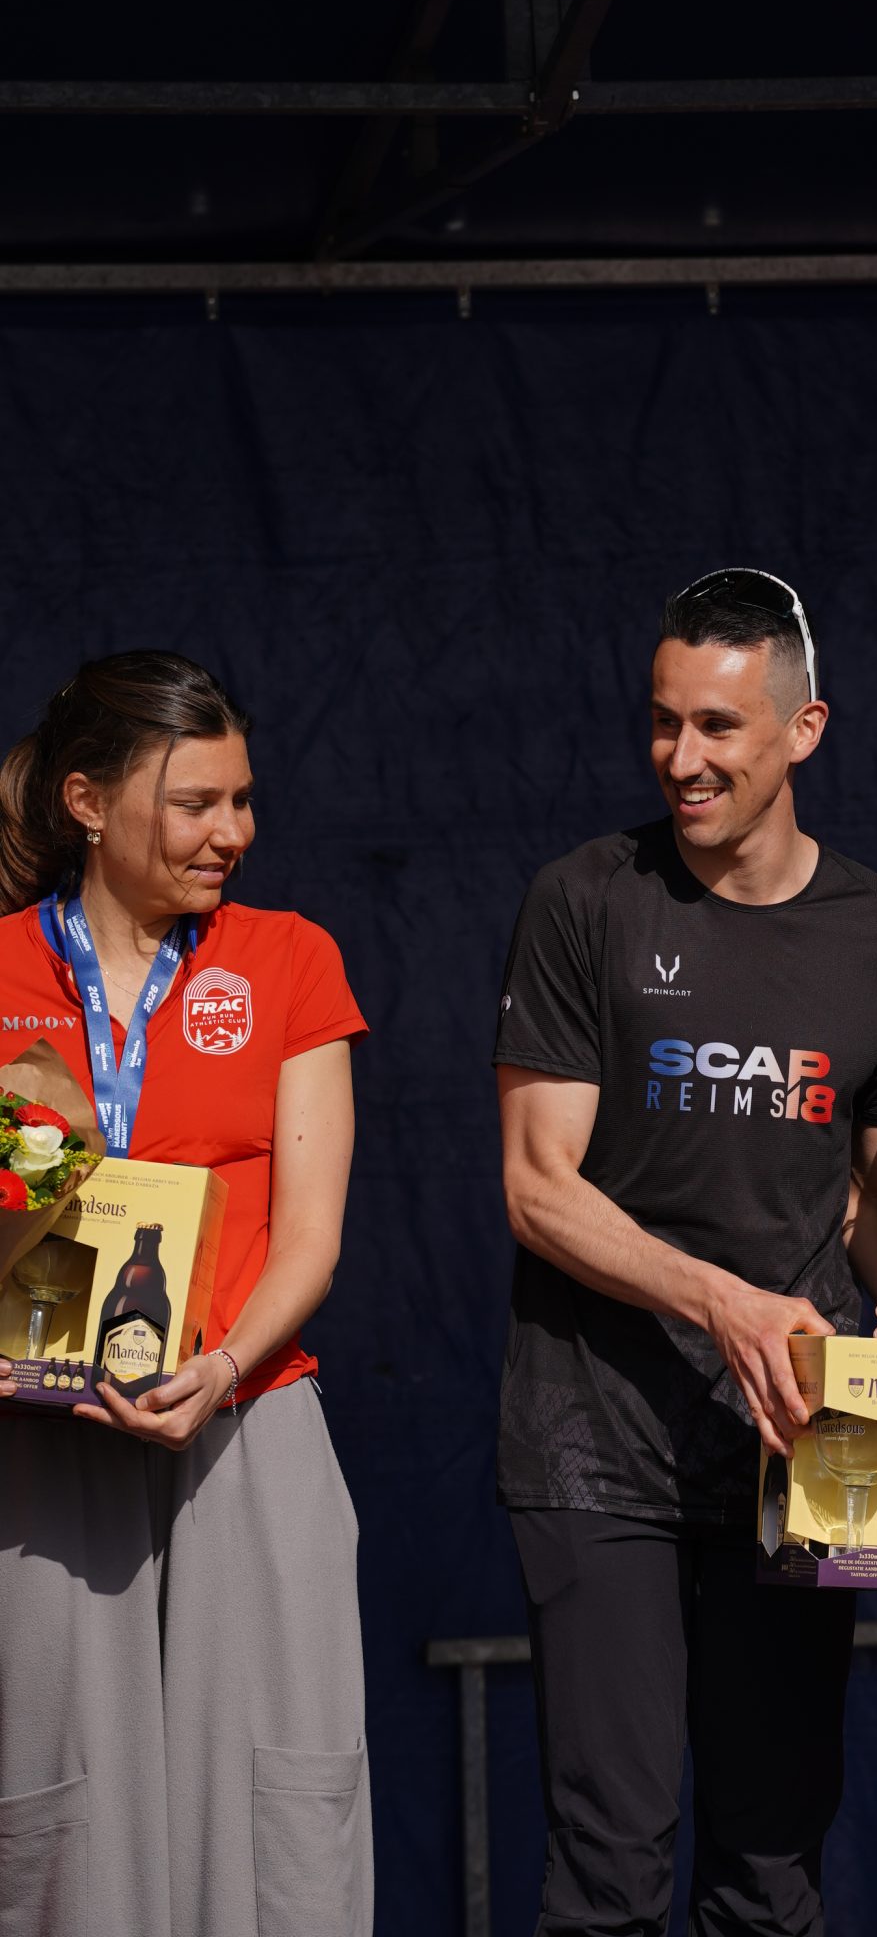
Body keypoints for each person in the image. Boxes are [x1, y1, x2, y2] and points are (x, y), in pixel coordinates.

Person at [495, 566, 877, 1937]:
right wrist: (725, 1303)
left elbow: (875, 1204)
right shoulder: (585, 898)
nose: (681, 758)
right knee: (610, 1872)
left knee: (772, 1869)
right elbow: (538, 1188)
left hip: (810, 1434)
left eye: (717, 725)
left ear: (803, 729)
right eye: (663, 721)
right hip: (597, 1437)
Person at [0, 651, 371, 1937]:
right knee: (63, 1810)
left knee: (278, 1803)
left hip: (246, 1414)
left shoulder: (290, 958)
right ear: (87, 802)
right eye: (196, 803)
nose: (234, 832)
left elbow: (311, 1236)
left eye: (243, 799)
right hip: (41, 1434)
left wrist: (220, 1369)